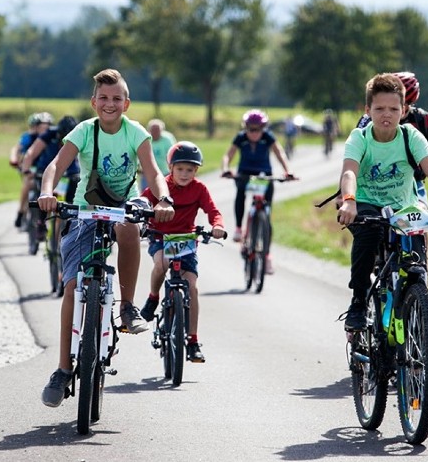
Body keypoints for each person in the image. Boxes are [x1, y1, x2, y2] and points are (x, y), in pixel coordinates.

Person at [35, 68, 175, 408]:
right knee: (72, 286)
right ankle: (63, 368)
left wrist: (164, 199)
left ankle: (127, 307)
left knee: (129, 226)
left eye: (116, 99)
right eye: (104, 98)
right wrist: (47, 191)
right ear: (93, 102)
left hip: (123, 204)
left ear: (126, 104)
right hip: (86, 206)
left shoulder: (135, 133)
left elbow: (154, 172)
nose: (109, 104)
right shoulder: (84, 131)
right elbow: (55, 165)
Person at [336, 73, 428, 331]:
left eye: (393, 109)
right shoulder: (359, 137)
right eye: (379, 109)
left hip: (404, 205)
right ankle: (358, 301)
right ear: (368, 110)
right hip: (365, 204)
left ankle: (414, 300)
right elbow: (349, 172)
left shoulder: (412, 136)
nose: (386, 114)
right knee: (369, 234)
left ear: (404, 110)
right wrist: (349, 202)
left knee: (416, 251)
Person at [139, 141, 227, 363]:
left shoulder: (199, 189)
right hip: (160, 236)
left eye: (190, 170)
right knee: (161, 264)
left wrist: (218, 226)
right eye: (180, 169)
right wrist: (140, 217)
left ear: (196, 171)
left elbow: (213, 211)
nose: (185, 174)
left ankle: (193, 341)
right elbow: (142, 201)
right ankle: (153, 297)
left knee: (193, 288)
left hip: (186, 240)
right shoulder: (161, 187)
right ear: (171, 168)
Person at [355, 71, 428, 208]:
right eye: (381, 108)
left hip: (413, 184)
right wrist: (343, 196)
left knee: (419, 217)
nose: (388, 114)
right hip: (371, 188)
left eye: (397, 107)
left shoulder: (427, 122)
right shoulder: (368, 120)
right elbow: (353, 161)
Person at [221, 109, 295, 274]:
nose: (255, 133)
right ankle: (239, 228)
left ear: (264, 128)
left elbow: (280, 153)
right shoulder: (240, 138)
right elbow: (228, 155)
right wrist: (226, 169)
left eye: (259, 129)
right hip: (245, 175)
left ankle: (267, 255)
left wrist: (287, 170)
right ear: (245, 127)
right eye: (251, 129)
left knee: (266, 216)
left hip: (264, 176)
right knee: (240, 193)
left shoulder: (268, 137)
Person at [19, 115, 82, 238]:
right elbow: (31, 153)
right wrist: (26, 170)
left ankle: (67, 228)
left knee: (71, 201)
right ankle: (41, 222)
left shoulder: (80, 135)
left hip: (70, 171)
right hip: (45, 169)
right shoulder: (49, 134)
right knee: (42, 195)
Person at [9, 112, 52, 228]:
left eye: (47, 124)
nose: (45, 127)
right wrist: (14, 160)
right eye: (41, 125)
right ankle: (21, 211)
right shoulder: (28, 137)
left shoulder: (52, 137)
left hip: (46, 168)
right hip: (31, 167)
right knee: (28, 183)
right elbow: (17, 149)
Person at [140, 118, 177, 191]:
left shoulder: (167, 139)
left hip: (165, 172)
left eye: (157, 130)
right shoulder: (144, 139)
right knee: (145, 193)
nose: (155, 132)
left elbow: (173, 153)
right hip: (148, 173)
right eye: (153, 130)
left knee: (166, 192)